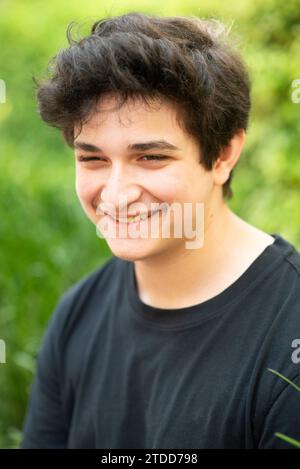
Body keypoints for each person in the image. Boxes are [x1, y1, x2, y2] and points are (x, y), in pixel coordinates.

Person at [21, 12, 300, 449]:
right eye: (93, 159)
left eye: (150, 157)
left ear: (224, 155)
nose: (116, 194)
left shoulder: (288, 339)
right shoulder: (77, 316)